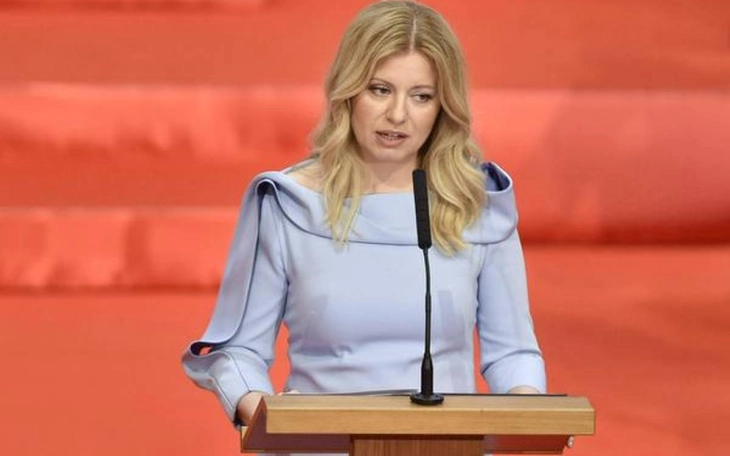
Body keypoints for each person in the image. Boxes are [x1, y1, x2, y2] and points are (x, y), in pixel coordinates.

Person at [182, 0, 546, 429]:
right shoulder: (290, 203)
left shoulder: (477, 205)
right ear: (349, 91)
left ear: (442, 107)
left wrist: (533, 415)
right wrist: (262, 408)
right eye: (380, 89)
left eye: (421, 96)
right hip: (320, 445)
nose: (398, 115)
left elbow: (512, 353)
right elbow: (240, 351)